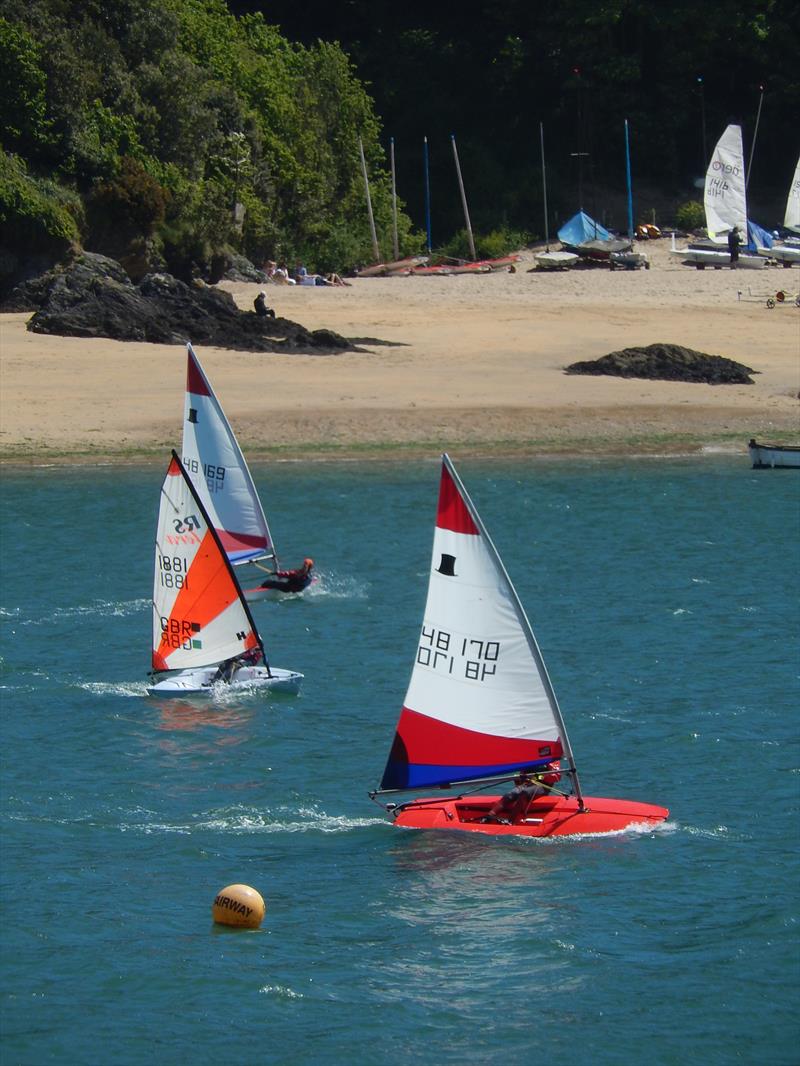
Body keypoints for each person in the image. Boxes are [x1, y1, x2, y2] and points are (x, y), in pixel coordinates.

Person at [480, 764, 562, 824]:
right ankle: (489, 816)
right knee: (510, 794)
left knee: (525, 793)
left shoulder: (552, 760)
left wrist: (536, 777)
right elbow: (522, 775)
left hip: (542, 786)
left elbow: (556, 777)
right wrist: (519, 778)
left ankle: (510, 821)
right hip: (527, 784)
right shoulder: (531, 758)